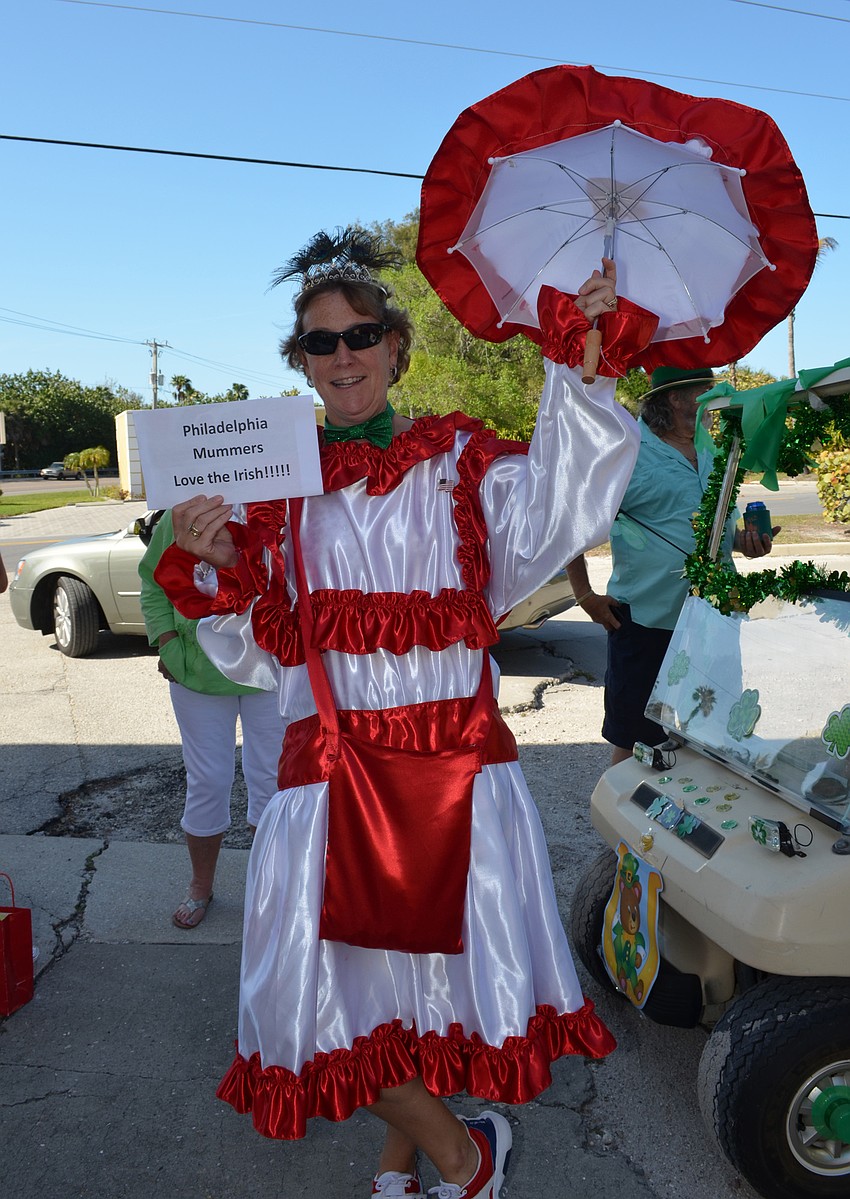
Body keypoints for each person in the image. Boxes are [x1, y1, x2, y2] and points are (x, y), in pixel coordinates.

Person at [152, 227, 641, 1198]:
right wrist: (216, 561)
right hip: (328, 776)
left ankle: (406, 1160)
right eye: (319, 344)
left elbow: (562, 501)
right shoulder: (271, 497)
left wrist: (579, 367)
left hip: (453, 773)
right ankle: (467, 1154)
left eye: (361, 335)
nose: (342, 357)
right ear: (298, 363)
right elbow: (252, 652)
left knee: (427, 998)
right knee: (311, 1011)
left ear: (395, 347)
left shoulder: (458, 459)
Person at [566, 365, 779, 767]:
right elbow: (572, 521)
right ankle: (623, 829)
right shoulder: (626, 451)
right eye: (705, 393)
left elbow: (722, 529)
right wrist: (584, 595)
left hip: (714, 616)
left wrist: (746, 543)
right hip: (646, 621)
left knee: (710, 735)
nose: (714, 405)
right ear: (676, 398)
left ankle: (687, 825)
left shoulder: (713, 451)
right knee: (634, 743)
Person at [138, 508, 285, 928]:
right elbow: (152, 580)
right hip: (197, 673)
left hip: (272, 668)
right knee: (207, 781)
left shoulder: (280, 498)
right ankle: (200, 885)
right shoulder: (184, 510)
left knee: (275, 783)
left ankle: (271, 887)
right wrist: (165, 641)